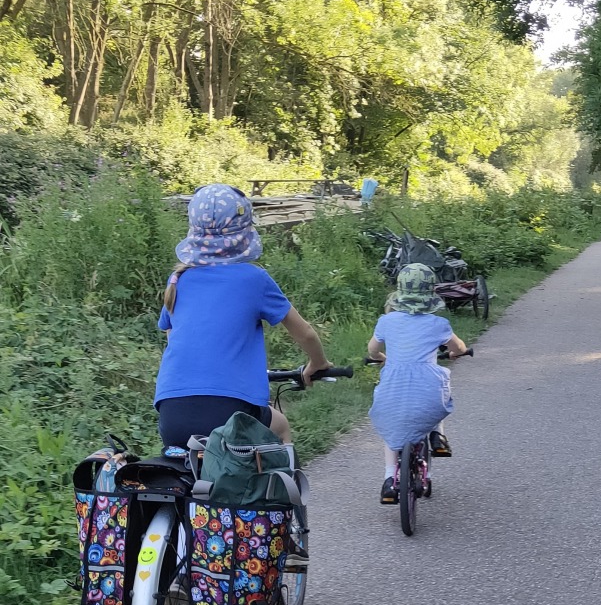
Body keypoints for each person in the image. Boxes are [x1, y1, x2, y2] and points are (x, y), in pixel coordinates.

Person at [154, 183, 332, 451]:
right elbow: (304, 333)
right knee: (281, 428)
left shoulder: (179, 280)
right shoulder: (253, 279)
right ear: (244, 232)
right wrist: (317, 363)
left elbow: (176, 339)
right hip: (231, 412)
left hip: (172, 413)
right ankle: (282, 492)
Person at [367, 263, 467, 503]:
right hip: (427, 388)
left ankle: (390, 478)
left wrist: (382, 358)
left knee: (392, 431)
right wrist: (455, 353)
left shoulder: (387, 321)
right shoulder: (438, 325)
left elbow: (372, 350)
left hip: (394, 388)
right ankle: (436, 435)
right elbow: (459, 347)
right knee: (437, 388)